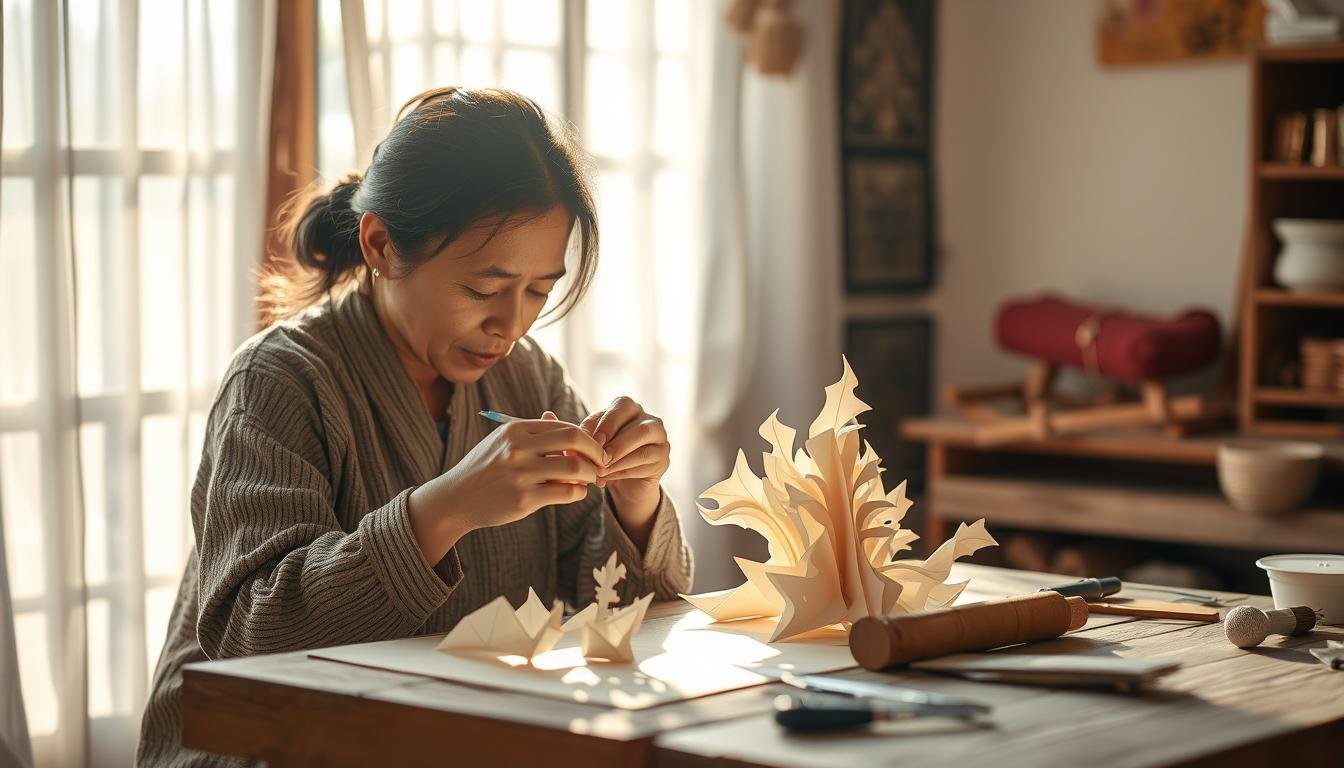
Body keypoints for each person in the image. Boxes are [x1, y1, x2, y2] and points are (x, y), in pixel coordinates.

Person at [136, 86, 693, 766]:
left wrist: (634, 507)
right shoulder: (280, 381)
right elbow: (253, 632)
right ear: (380, 244)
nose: (511, 324)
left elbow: (606, 624)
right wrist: (447, 508)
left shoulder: (529, 378)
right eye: (483, 291)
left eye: (539, 291)